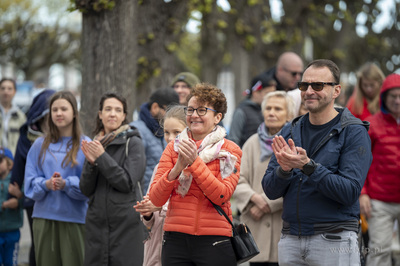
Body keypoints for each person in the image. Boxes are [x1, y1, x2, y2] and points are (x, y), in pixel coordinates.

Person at [262, 59, 373, 265]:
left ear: (336, 90)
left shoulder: (354, 132)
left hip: (334, 239)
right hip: (290, 239)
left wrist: (308, 167)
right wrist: (284, 170)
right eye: (304, 85)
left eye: (318, 85)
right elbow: (270, 190)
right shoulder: (290, 130)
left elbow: (349, 191)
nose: (309, 91)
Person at [149, 83, 242, 265]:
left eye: (201, 110)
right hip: (176, 240)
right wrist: (177, 168)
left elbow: (222, 195)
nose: (194, 116)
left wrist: (195, 162)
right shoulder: (173, 148)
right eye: (190, 110)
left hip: (215, 241)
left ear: (217, 117)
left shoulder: (230, 151)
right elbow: (156, 199)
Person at [80, 92, 146, 266]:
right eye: (108, 109)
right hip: (97, 226)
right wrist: (91, 164)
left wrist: (101, 157)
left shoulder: (133, 143)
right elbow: (85, 189)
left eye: (118, 110)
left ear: (124, 116)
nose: (112, 114)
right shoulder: (95, 144)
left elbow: (127, 183)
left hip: (126, 227)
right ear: (100, 114)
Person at [24, 91, 89, 266]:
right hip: (44, 219)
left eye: (63, 109)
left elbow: (88, 186)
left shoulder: (85, 145)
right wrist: (46, 184)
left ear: (74, 112)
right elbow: (29, 185)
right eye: (54, 110)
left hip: (75, 219)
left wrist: (66, 184)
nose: (59, 113)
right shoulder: (39, 145)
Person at [233, 91, 295, 266]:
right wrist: (254, 199)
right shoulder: (251, 143)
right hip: (254, 227)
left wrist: (267, 203)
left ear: (289, 115)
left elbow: (298, 183)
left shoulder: (295, 142)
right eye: (268, 108)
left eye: (277, 109)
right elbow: (237, 178)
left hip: (284, 227)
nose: (271, 112)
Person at [134, 105, 187, 266]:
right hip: (157, 244)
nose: (170, 138)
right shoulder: (159, 167)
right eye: (166, 132)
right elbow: (151, 221)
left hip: (181, 246)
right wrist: (148, 212)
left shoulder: (195, 167)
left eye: (177, 132)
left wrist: (160, 207)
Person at [8, 89, 55, 266]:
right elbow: (19, 169)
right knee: (38, 244)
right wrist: (14, 195)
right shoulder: (26, 136)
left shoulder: (65, 136)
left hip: (60, 198)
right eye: (50, 112)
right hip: (33, 200)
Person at [359, 73, 400, 266]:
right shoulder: (372, 124)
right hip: (379, 201)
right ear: (384, 97)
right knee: (378, 250)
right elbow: (359, 162)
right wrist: (363, 193)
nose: (398, 101)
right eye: (393, 96)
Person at [130, 88, 179, 194]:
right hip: (143, 200)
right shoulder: (136, 131)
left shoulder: (165, 131)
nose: (173, 116)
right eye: (170, 111)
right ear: (155, 107)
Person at [228, 73, 276, 147]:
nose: (271, 98)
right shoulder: (241, 111)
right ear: (255, 93)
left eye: (273, 94)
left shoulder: (270, 111)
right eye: (267, 94)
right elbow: (233, 140)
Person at [0, 147, 23, 266]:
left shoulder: (16, 181)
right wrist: (4, 205)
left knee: (10, 262)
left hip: (12, 231)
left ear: (10, 164)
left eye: (0, 161)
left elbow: (27, 200)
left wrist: (19, 198)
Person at [0, 78, 27, 154]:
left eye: (9, 89)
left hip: (13, 162)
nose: (6, 91)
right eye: (3, 88)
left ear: (14, 92)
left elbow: (24, 141)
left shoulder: (21, 117)